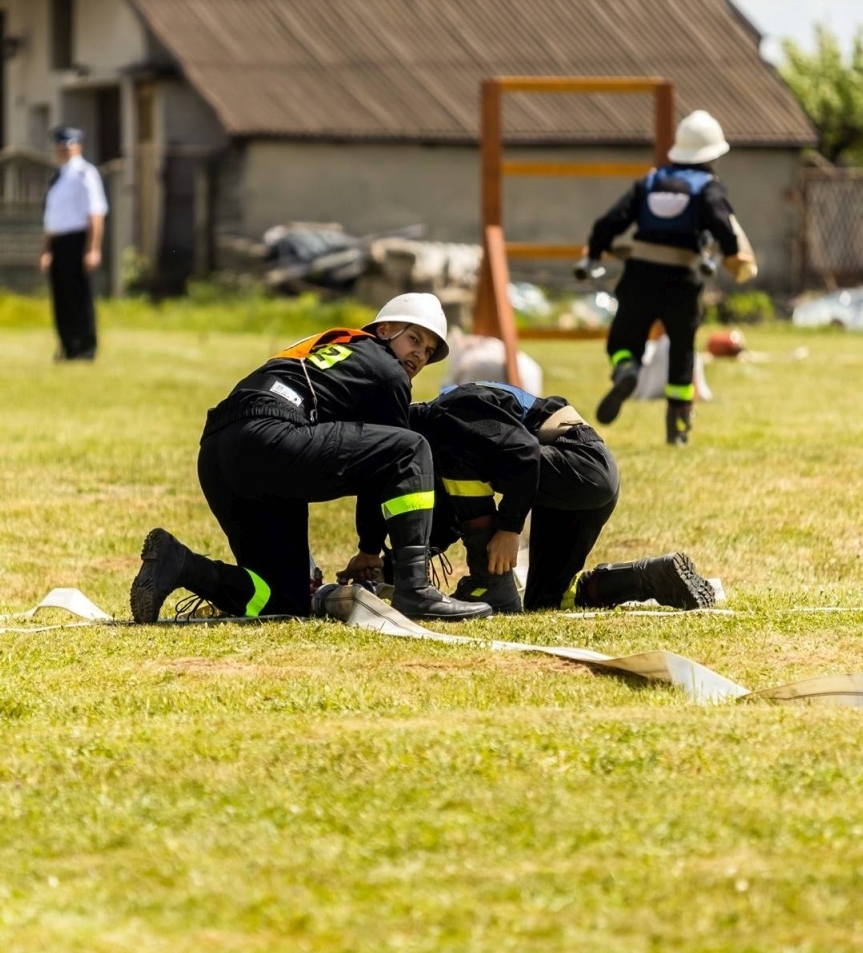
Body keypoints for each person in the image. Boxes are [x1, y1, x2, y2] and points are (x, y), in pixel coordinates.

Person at [129, 293, 492, 623]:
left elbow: (372, 458)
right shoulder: (388, 371)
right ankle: (415, 591)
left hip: (218, 450)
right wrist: (369, 551)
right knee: (412, 448)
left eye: (428, 351)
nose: (418, 355)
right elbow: (390, 467)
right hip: (270, 436)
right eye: (414, 339)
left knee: (283, 599)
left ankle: (180, 565)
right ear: (384, 330)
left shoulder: (339, 349)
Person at [394, 381, 713, 612]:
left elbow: (523, 454)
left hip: (580, 462)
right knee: (545, 601)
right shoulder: (444, 429)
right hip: (580, 479)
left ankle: (489, 584)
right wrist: (391, 568)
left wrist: (509, 530)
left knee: (459, 457)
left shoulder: (449, 411)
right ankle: (647, 577)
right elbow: (457, 513)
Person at [580, 110, 757, 444]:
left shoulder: (649, 182)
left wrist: (594, 251)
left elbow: (610, 221)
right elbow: (724, 226)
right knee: (681, 349)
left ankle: (625, 369)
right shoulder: (708, 188)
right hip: (682, 280)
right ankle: (678, 424)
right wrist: (732, 253)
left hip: (639, 276)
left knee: (622, 339)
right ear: (712, 156)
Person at [40, 125, 107, 361]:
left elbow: (96, 213)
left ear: (78, 146)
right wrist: (47, 250)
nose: (63, 149)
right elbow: (51, 219)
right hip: (58, 242)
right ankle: (67, 346)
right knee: (61, 298)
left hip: (78, 240)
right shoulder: (57, 177)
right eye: (60, 144)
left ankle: (85, 348)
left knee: (80, 297)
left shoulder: (85, 173)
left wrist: (93, 248)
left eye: (68, 144)